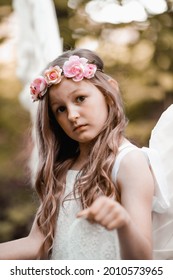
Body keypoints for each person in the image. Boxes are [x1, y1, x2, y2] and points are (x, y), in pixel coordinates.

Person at [0, 48, 170, 260]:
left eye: (80, 98)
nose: (72, 115)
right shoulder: (63, 168)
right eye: (60, 109)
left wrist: (123, 223)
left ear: (110, 92)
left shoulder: (128, 162)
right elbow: (37, 244)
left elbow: (141, 262)